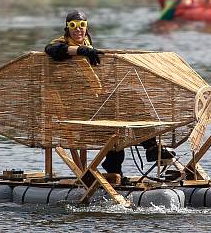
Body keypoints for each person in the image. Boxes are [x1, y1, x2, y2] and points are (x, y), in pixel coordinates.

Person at [44, 10, 175, 175]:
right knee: (127, 100)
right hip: (77, 106)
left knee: (126, 104)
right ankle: (150, 148)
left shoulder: (87, 42)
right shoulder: (63, 42)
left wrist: (87, 50)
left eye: (82, 25)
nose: (78, 29)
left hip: (95, 101)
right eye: (73, 26)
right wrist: (80, 51)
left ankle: (120, 166)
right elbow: (51, 49)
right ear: (67, 28)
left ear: (86, 27)